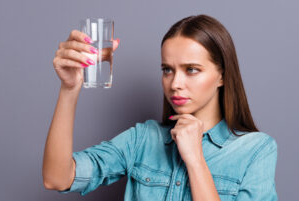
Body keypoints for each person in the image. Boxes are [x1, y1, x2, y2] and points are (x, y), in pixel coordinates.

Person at [42, 14, 278, 201]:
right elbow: (57, 178)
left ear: (222, 76)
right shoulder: (143, 138)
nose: (175, 84)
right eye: (167, 70)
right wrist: (69, 89)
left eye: (192, 69)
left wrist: (195, 159)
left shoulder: (256, 150)